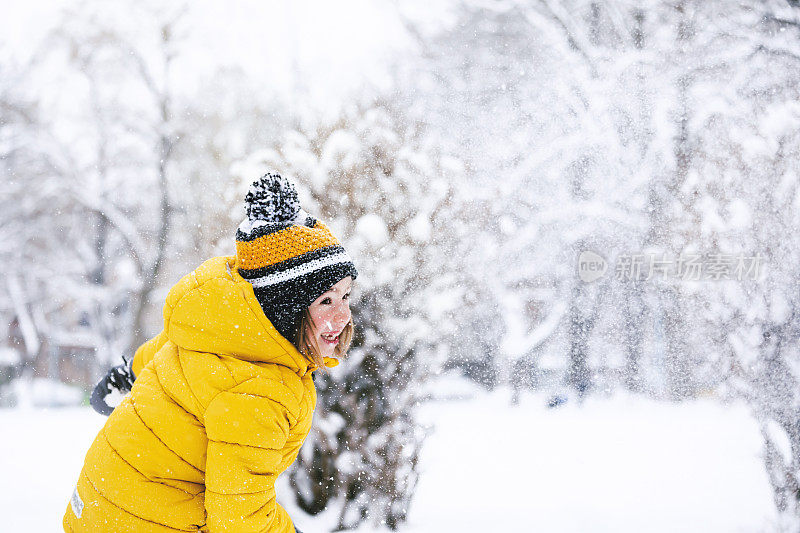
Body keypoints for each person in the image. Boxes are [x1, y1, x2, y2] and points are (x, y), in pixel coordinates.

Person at [64, 173, 358, 533]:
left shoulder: (226, 327)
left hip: (99, 505)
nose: (342, 315)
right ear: (286, 311)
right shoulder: (262, 391)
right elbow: (240, 521)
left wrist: (130, 374)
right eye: (325, 300)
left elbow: (174, 349)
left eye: (345, 296)